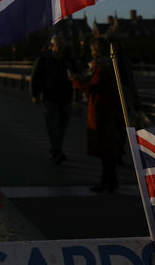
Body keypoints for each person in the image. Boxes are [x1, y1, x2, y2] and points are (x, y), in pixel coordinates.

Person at [69, 38, 121, 193]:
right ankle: (108, 180)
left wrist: (74, 81)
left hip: (102, 112)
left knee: (105, 149)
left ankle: (108, 181)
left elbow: (91, 89)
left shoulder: (103, 69)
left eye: (93, 50)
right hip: (105, 111)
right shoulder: (106, 67)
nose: (91, 53)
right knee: (107, 149)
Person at [31, 35, 77, 163]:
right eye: (59, 45)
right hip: (50, 97)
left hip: (66, 97)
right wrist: (35, 94)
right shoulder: (44, 60)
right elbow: (35, 77)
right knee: (53, 126)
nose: (62, 47)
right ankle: (57, 151)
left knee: (62, 127)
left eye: (63, 44)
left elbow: (78, 73)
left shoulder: (69, 59)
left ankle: (57, 149)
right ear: (52, 46)